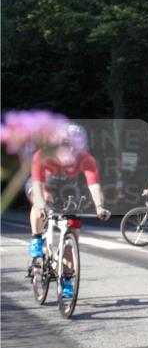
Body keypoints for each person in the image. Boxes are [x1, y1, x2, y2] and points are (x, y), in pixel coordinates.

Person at [27, 123, 111, 299]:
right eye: (65, 143)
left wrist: (99, 206)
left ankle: (66, 278)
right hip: (42, 185)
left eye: (76, 144)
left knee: (73, 232)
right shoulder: (42, 155)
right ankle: (36, 239)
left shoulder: (86, 159)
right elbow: (38, 185)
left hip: (66, 189)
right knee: (41, 200)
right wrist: (41, 206)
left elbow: (94, 186)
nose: (71, 148)